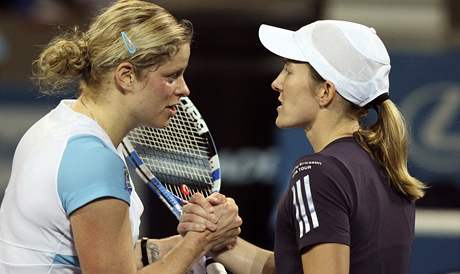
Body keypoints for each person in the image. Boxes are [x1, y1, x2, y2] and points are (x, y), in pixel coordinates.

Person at [0, 1, 242, 273]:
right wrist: (199, 241)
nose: (184, 89)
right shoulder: (95, 163)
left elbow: (107, 256)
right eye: (171, 76)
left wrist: (192, 241)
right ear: (126, 76)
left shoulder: (56, 127)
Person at [178, 20, 426, 274]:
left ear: (325, 91)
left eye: (288, 70)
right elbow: (297, 267)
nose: (277, 82)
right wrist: (216, 242)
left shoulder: (318, 172)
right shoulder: (384, 167)